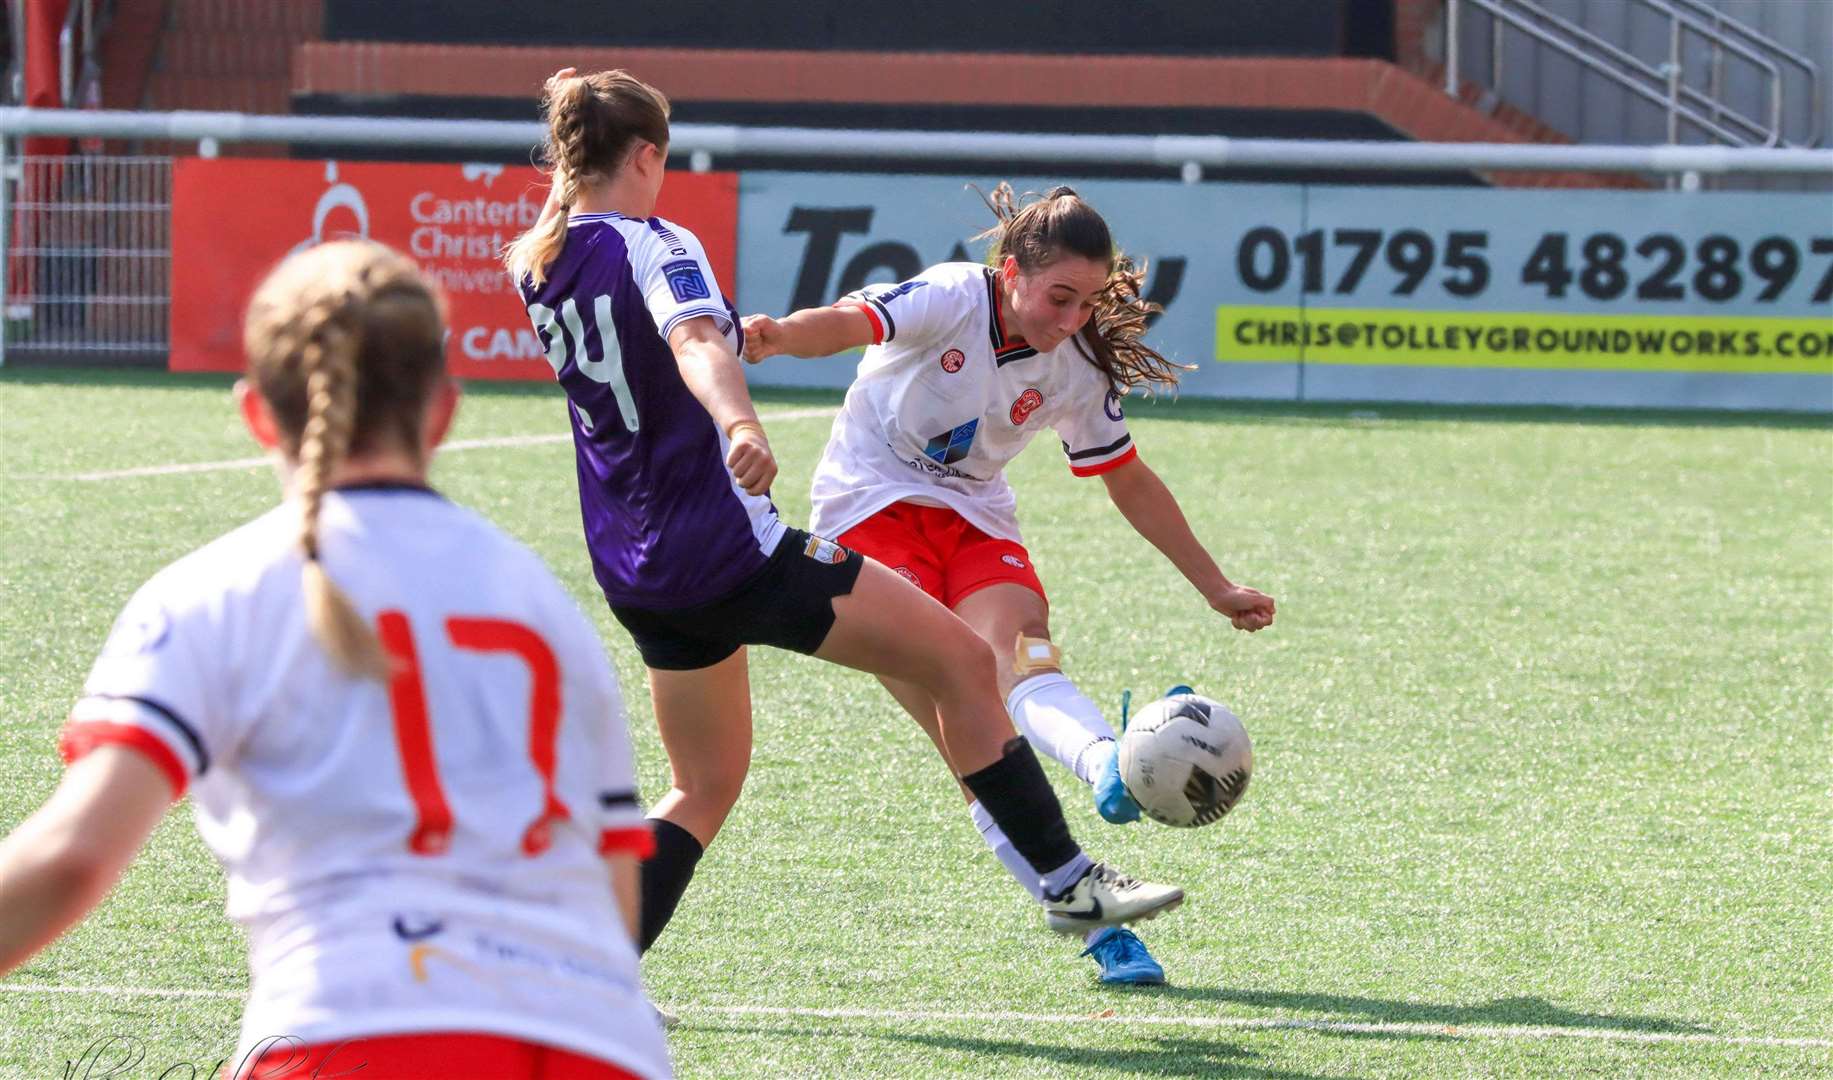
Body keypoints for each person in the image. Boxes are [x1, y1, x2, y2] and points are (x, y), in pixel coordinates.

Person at [503, 70, 1182, 965]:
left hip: (633, 564)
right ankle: (1067, 883)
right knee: (962, 662)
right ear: (647, 155)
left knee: (702, 785)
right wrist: (739, 419)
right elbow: (697, 341)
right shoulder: (655, 242)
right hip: (726, 550)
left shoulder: (539, 260)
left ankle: (584, 977)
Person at [0, 240, 671, 1080]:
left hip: (358, 1032)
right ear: (444, 412)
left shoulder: (214, 590)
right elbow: (610, 883)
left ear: (255, 414)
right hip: (600, 1045)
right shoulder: (544, 605)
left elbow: (72, 854)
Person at [741, 184, 1277, 985]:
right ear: (1009, 270)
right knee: (969, 737)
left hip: (975, 519)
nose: (1072, 319)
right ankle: (1102, 934)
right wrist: (780, 336)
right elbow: (857, 320)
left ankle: (1106, 763)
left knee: (1023, 657)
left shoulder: (1080, 360)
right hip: (868, 509)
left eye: (1089, 301)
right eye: (1060, 297)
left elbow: (1126, 478)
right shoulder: (953, 295)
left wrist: (1214, 585)